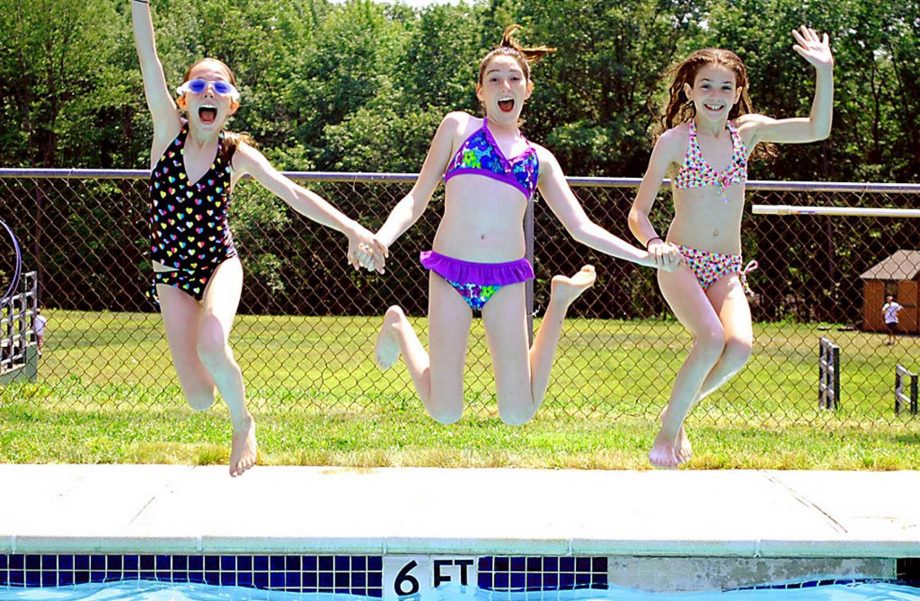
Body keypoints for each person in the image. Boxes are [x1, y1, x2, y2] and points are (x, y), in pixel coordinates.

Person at [368, 25, 676, 426]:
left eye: (514, 78)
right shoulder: (459, 129)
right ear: (481, 92)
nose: (504, 85)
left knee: (519, 412)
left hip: (507, 280)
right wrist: (382, 238)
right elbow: (416, 199)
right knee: (445, 411)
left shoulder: (539, 159)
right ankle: (397, 325)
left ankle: (560, 300)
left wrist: (642, 256)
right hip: (451, 272)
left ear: (527, 89)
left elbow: (581, 226)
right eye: (493, 79)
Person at [131, 0, 385, 476]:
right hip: (170, 276)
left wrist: (352, 227)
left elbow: (294, 193)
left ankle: (243, 421)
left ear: (232, 104)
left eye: (219, 86)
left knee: (212, 341)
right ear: (184, 100)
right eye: (199, 85)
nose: (209, 92)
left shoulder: (236, 155)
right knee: (197, 397)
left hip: (218, 265)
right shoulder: (167, 133)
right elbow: (150, 59)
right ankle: (225, 403)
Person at [628, 27, 834, 468]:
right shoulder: (675, 141)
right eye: (706, 86)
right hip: (680, 261)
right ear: (688, 91)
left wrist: (825, 72)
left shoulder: (748, 132)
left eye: (726, 87)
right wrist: (654, 243)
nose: (716, 95)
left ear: (738, 92)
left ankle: (676, 409)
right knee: (710, 340)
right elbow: (638, 212)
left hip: (727, 266)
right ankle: (667, 436)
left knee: (738, 348)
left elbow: (818, 129)